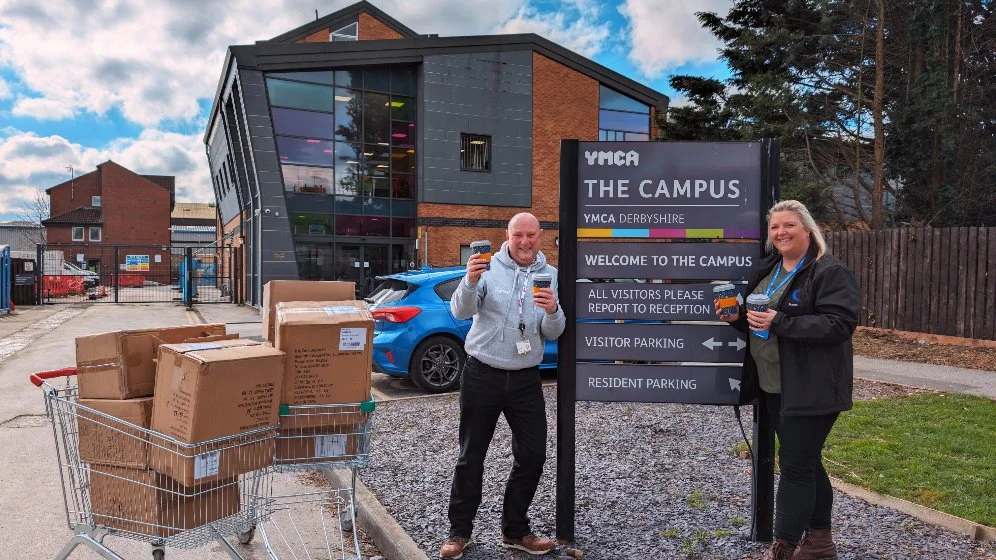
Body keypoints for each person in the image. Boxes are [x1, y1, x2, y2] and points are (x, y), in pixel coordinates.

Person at [715, 200, 860, 560]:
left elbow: (839, 325)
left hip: (811, 388)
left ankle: (782, 548)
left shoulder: (828, 272)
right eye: (776, 227)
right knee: (807, 462)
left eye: (789, 225)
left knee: (795, 467)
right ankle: (820, 544)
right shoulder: (768, 269)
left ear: (807, 229)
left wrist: (780, 321)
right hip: (773, 385)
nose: (781, 232)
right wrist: (735, 316)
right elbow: (758, 323)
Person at [439, 212, 566, 559]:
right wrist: (468, 280)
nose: (524, 242)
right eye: (517, 235)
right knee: (471, 456)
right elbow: (460, 312)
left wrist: (553, 310)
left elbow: (554, 330)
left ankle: (514, 530)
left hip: (526, 378)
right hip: (482, 373)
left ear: (540, 236)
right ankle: (459, 532)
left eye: (530, 235)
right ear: (506, 237)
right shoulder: (486, 269)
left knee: (533, 455)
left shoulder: (550, 276)